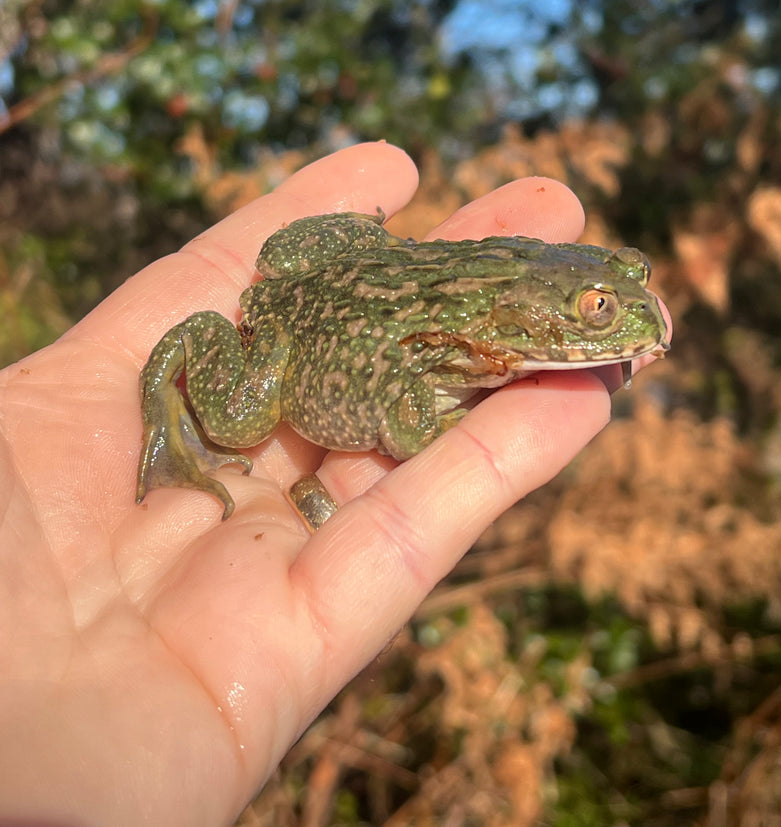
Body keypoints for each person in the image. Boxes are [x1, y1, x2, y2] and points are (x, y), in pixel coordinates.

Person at [0, 142, 665, 826]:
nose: (640, 317)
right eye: (597, 306)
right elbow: (407, 426)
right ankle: (173, 388)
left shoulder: (491, 326)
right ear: (532, 316)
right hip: (294, 332)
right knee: (238, 418)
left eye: (621, 284)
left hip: (347, 269)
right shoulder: (478, 332)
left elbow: (328, 289)